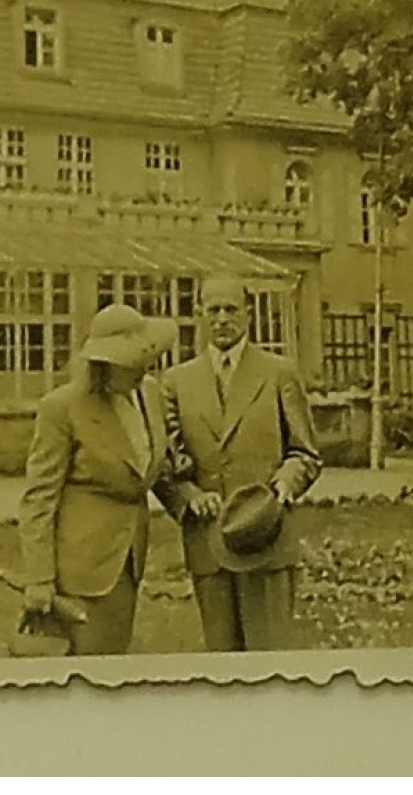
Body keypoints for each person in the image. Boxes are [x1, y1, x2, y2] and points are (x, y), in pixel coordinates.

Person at [154, 274, 322, 651]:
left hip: (266, 536)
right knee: (222, 663)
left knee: (269, 659)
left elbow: (305, 452)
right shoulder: (177, 381)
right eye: (213, 310)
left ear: (248, 314)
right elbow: (166, 464)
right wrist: (189, 495)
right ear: (199, 315)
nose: (222, 319)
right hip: (208, 542)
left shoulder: (279, 372)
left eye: (231, 309)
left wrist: (283, 487)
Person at [15, 303, 179, 656]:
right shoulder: (63, 408)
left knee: (114, 661)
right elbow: (39, 497)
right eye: (129, 364)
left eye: (145, 360)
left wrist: (190, 499)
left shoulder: (149, 393)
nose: (140, 370)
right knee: (81, 671)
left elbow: (153, 468)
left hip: (129, 556)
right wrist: (39, 578)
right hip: (80, 568)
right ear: (100, 366)